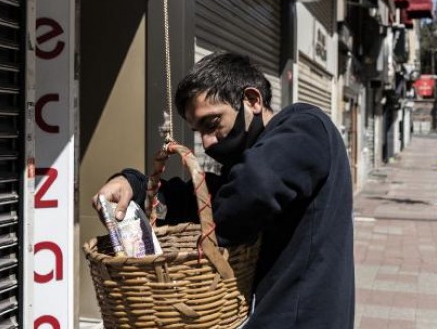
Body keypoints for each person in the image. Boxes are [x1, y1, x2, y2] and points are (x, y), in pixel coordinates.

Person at [92, 52, 354, 328]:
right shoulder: (250, 159)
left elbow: (252, 191)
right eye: (198, 131)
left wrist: (202, 248)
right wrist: (133, 183)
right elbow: (203, 198)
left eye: (212, 124)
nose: (206, 143)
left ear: (252, 101)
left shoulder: (305, 126)